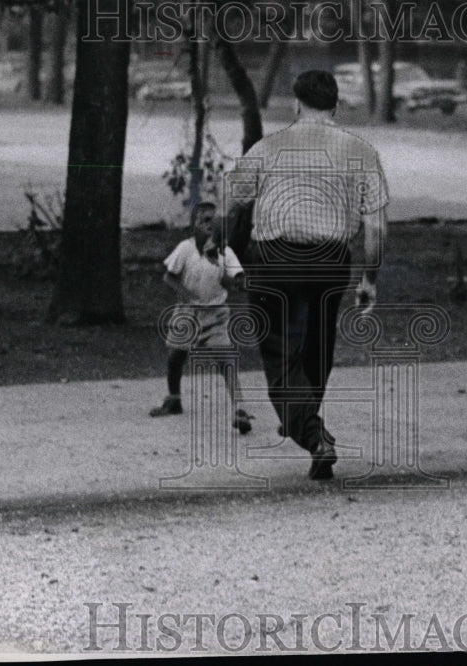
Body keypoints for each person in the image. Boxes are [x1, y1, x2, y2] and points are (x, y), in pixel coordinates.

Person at [222, 69, 388, 480]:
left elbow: (230, 200)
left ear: (296, 104)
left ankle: (312, 434)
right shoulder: (361, 151)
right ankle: (301, 416)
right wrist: (370, 279)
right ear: (335, 106)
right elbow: (378, 226)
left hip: (274, 259)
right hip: (331, 259)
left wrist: (220, 242)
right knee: (317, 346)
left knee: (279, 352)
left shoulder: (268, 147)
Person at [152, 201, 254, 435]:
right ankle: (174, 398)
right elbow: (169, 277)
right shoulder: (185, 249)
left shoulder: (224, 252)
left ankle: (240, 409)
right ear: (194, 225)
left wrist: (238, 282)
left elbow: (231, 279)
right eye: (205, 220)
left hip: (216, 314)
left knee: (226, 358)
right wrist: (186, 296)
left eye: (214, 221)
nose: (211, 225)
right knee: (176, 355)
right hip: (187, 314)